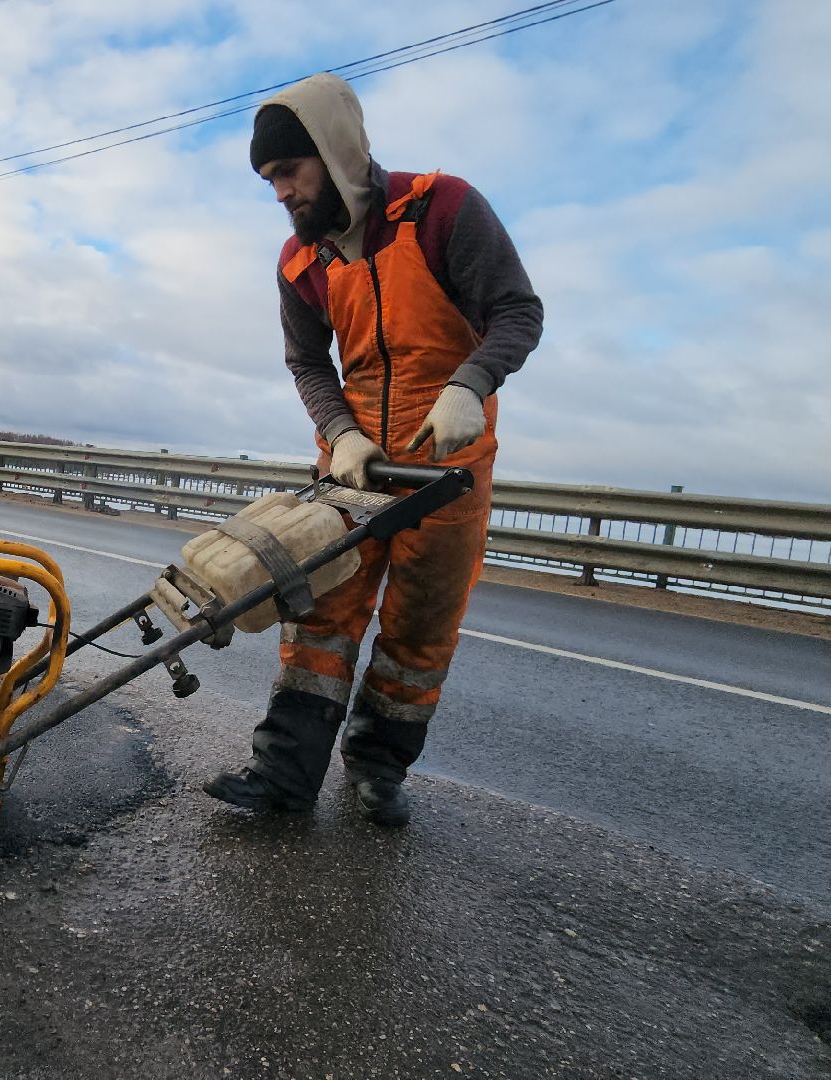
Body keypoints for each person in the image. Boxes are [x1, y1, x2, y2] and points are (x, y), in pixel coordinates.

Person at [203, 74, 543, 826]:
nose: (281, 192)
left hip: (445, 466)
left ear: (334, 151)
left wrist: (472, 380)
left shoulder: (441, 210)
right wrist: (341, 432)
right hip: (353, 467)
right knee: (319, 614)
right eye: (269, 180)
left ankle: (378, 768)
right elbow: (308, 362)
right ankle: (282, 778)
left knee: (419, 628)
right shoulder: (302, 262)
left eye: (289, 171)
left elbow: (517, 311)